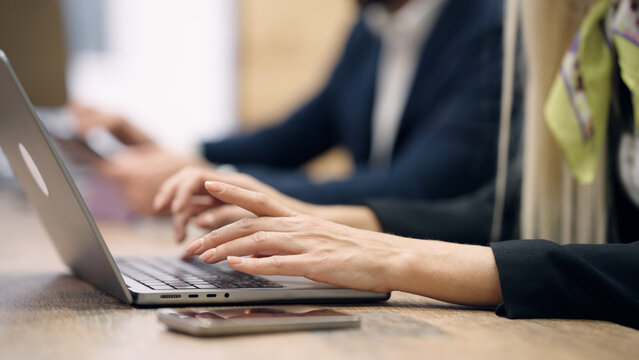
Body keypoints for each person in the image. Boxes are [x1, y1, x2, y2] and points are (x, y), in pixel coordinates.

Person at [153, 0, 639, 329]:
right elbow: (518, 206)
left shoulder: (493, 27)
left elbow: (422, 183)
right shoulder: (602, 32)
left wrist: (397, 256)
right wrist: (317, 219)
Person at [80, 0, 506, 214]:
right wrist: (176, 152)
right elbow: (291, 138)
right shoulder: (371, 30)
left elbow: (415, 189)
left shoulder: (493, 30)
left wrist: (217, 186)